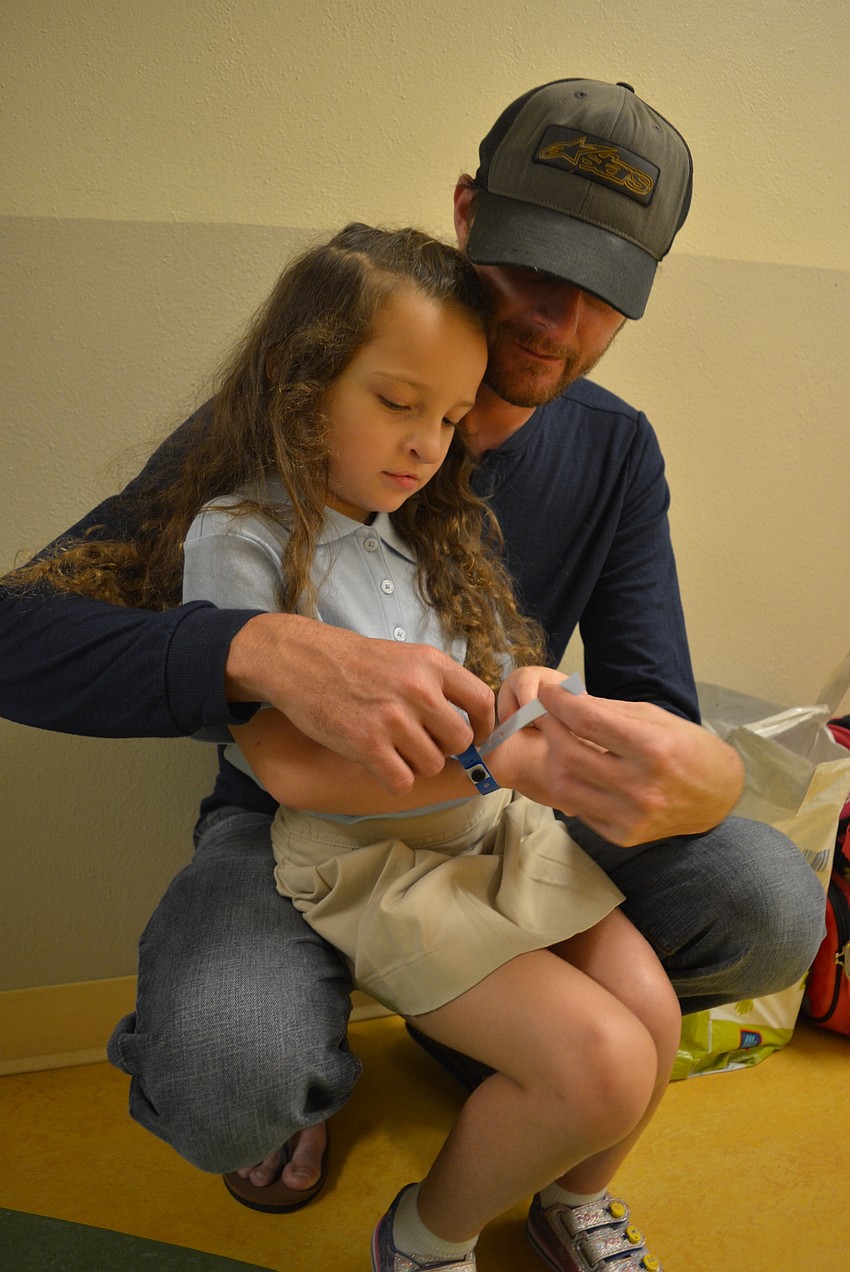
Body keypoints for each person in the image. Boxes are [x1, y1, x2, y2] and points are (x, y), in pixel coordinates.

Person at [0, 76, 824, 1248]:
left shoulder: (610, 454)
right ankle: (311, 1076)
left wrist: (703, 773)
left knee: (762, 897)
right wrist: (261, 647)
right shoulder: (283, 441)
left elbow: (642, 707)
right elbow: (22, 635)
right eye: (534, 265)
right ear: (466, 212)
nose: (553, 318)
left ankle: (487, 1049)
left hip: (494, 809)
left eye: (601, 293)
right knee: (227, 1077)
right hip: (319, 829)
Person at [175, 220, 677, 1271]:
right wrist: (494, 755)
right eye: (398, 405)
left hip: (491, 830)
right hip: (374, 861)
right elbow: (288, 765)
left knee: (651, 1019)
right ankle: (426, 1240)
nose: (427, 444)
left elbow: (477, 693)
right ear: (297, 382)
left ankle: (568, 1201)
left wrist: (532, 699)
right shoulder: (243, 537)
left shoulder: (419, 526)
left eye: (450, 418)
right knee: (596, 1064)